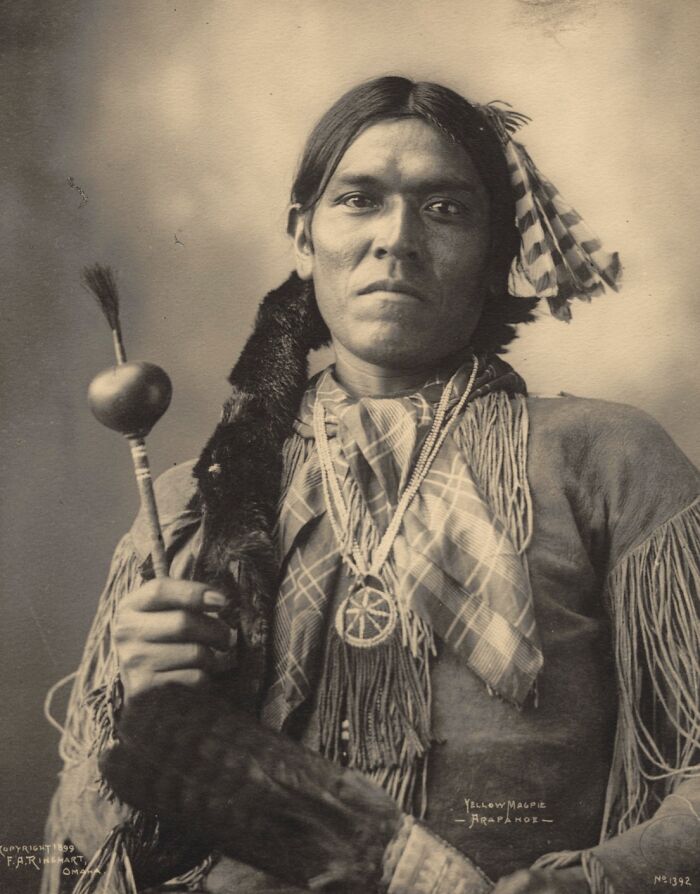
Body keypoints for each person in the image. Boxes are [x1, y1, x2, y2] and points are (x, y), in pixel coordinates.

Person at [42, 77, 700, 894]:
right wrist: (147, 720)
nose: (397, 237)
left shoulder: (608, 458)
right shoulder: (192, 504)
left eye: (446, 208)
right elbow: (80, 860)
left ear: (499, 255)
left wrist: (588, 883)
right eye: (358, 199)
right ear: (302, 236)